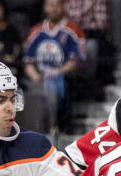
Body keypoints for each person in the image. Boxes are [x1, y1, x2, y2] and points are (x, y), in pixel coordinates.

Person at [22, 0, 84, 130]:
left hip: (64, 77)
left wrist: (56, 72)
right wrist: (36, 77)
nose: (54, 9)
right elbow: (28, 62)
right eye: (50, 5)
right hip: (39, 78)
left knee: (52, 87)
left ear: (63, 7)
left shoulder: (74, 30)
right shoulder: (36, 31)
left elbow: (75, 61)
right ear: (45, 7)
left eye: (57, 5)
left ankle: (53, 127)